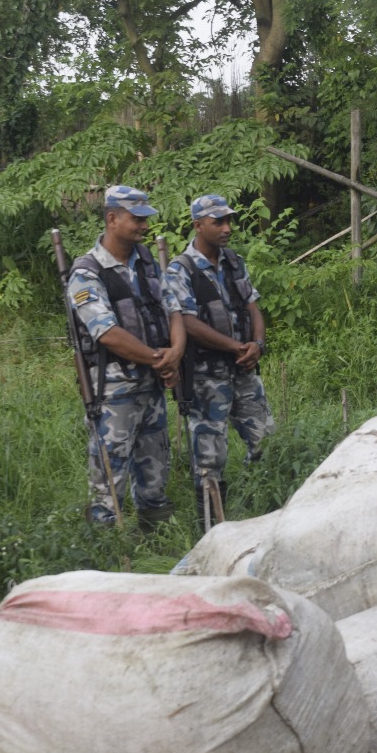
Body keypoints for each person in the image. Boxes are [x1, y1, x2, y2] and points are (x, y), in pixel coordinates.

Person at [67, 185, 185, 529]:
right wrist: (160, 359)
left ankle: (156, 537)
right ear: (112, 219)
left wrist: (176, 353)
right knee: (109, 480)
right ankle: (107, 547)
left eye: (146, 219)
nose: (144, 226)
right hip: (114, 392)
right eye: (137, 219)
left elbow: (173, 310)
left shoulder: (146, 262)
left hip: (152, 385)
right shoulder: (87, 273)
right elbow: (107, 333)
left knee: (155, 473)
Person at [163, 194, 274, 518]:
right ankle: (211, 527)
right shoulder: (180, 270)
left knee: (267, 442)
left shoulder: (234, 261)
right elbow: (186, 322)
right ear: (198, 225)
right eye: (218, 222)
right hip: (206, 377)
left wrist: (257, 344)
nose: (227, 228)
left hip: (244, 371)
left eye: (229, 221)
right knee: (210, 458)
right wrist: (235, 347)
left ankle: (262, 509)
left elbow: (252, 306)